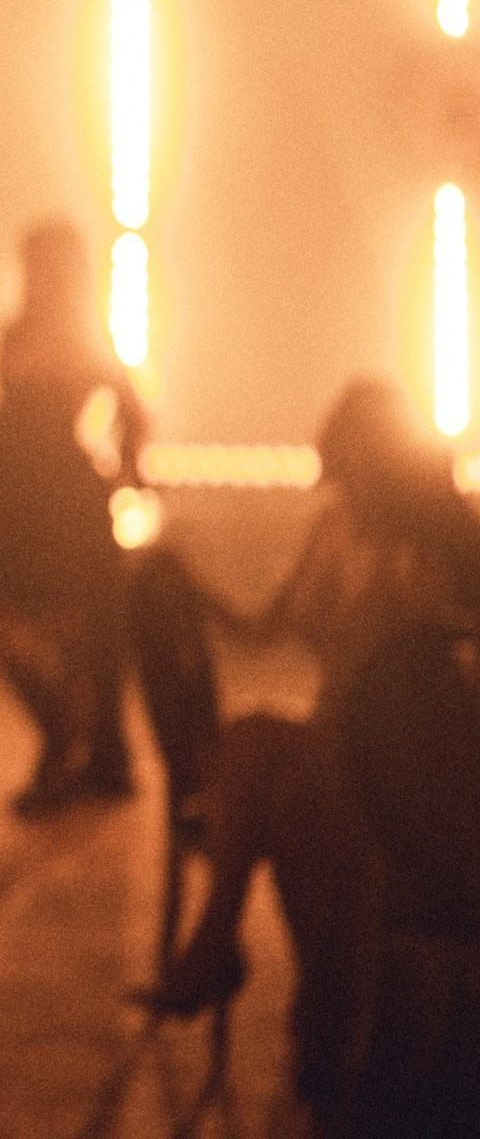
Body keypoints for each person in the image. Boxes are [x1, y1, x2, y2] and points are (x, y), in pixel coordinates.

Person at [146, 380, 479, 1112]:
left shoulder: (449, 546)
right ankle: (315, 996)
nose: (338, 491)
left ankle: (229, 952)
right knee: (264, 756)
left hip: (408, 774)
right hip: (342, 750)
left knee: (264, 760)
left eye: (348, 475)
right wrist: (188, 582)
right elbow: (265, 627)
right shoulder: (337, 532)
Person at [0, 219, 143, 816]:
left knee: (77, 636)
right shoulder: (12, 332)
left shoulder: (84, 337)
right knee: (6, 624)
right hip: (14, 496)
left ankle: (68, 757)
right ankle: (66, 745)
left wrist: (125, 472)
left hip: (63, 500)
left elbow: (133, 409)